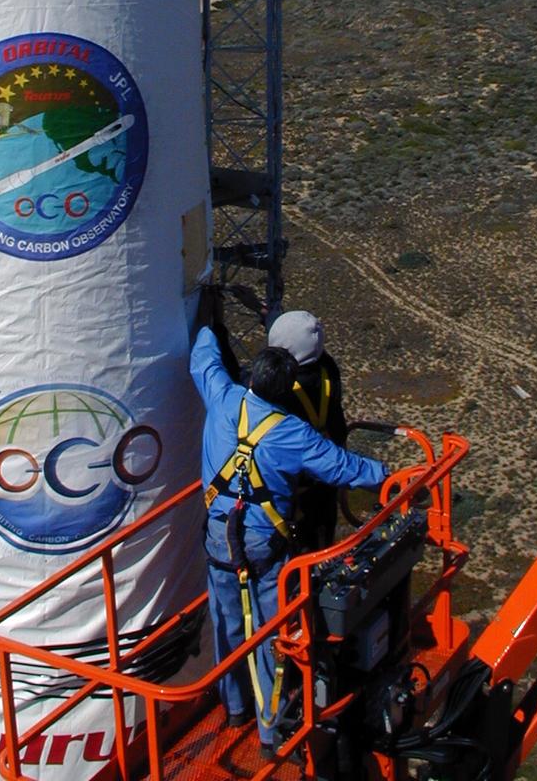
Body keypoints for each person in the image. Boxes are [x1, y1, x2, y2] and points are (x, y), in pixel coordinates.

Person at [190, 312, 387, 755]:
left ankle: (235, 706)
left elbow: (204, 362)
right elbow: (345, 467)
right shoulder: (292, 433)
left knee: (225, 623)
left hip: (220, 538)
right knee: (271, 634)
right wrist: (391, 475)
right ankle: (270, 730)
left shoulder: (223, 399)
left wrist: (207, 319)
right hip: (265, 546)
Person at [267, 310, 347, 549]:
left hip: (293, 487)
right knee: (321, 542)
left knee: (296, 551)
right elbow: (309, 349)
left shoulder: (278, 390)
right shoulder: (327, 370)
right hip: (325, 476)